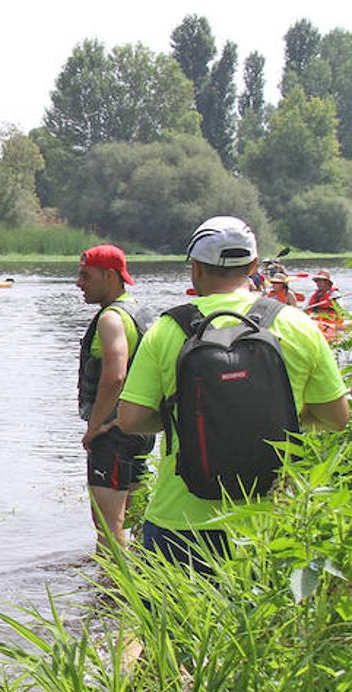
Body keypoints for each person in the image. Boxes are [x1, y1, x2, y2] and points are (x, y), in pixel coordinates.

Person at [117, 216, 349, 569]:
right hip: (273, 522)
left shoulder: (166, 330)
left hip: (180, 521)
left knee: (169, 623)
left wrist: (191, 416)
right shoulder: (298, 325)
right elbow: (336, 418)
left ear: (195, 268)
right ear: (255, 266)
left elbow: (131, 420)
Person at [75, 244, 155, 550]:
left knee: (108, 529)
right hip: (140, 430)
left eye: (85, 275)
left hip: (113, 433)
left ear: (109, 276)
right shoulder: (140, 312)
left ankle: (111, 595)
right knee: (134, 520)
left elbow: (115, 376)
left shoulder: (111, 319)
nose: (79, 282)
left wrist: (95, 427)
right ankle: (143, 583)